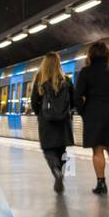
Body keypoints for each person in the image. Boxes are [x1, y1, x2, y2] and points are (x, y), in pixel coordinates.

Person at [74, 41, 109, 195]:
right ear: (108, 54)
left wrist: (83, 111)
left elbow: (77, 96)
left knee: (97, 150)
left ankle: (101, 184)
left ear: (90, 55)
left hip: (93, 113)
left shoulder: (86, 72)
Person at [29, 52, 75, 193]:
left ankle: (56, 171)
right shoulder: (66, 80)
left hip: (46, 122)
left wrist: (40, 114)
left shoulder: (39, 80)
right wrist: (67, 111)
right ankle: (60, 171)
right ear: (58, 64)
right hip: (63, 122)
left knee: (48, 150)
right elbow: (73, 100)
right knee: (62, 150)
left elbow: (33, 101)